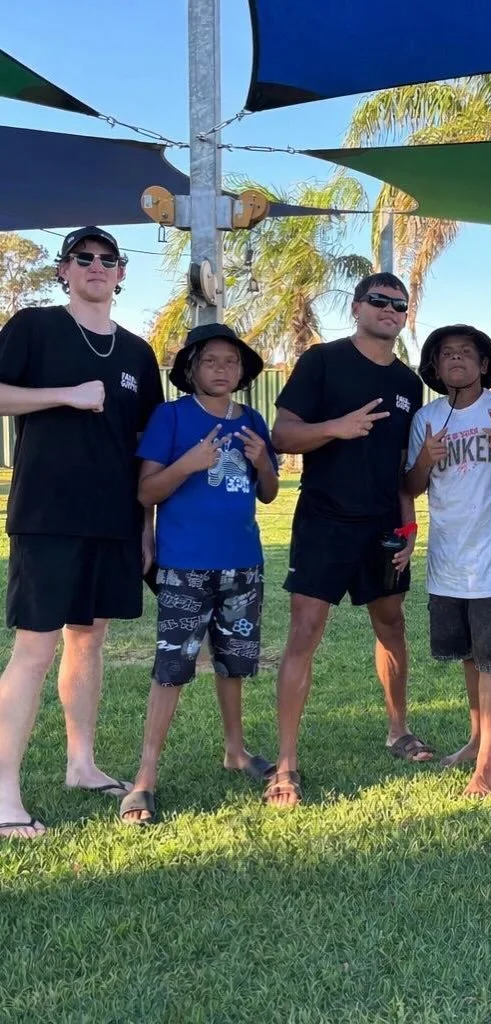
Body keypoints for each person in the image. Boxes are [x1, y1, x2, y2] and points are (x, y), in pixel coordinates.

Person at [0, 227, 163, 839]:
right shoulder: (34, 326)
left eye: (107, 259)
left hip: (114, 520)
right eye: (83, 257)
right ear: (64, 270)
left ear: (120, 274)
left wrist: (145, 527)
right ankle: (3, 795)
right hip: (48, 516)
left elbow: (146, 447)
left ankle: (82, 765)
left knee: (89, 640)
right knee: (35, 649)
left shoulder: (137, 353)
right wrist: (64, 395)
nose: (96, 265)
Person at [266, 273, 426, 808]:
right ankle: (285, 764)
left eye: (399, 305)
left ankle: (398, 730)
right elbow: (282, 435)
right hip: (324, 520)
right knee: (305, 631)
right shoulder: (322, 361)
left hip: (383, 526)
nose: (389, 310)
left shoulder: (408, 384)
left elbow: (403, 466)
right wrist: (336, 427)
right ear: (357, 308)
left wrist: (408, 527)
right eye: (378, 301)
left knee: (392, 624)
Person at [119, 324, 279, 825]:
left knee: (234, 663)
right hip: (185, 565)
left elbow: (269, 493)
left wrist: (263, 462)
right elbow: (146, 492)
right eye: (210, 360)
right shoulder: (170, 417)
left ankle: (236, 750)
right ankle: (144, 778)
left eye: (231, 361)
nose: (221, 369)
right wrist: (188, 463)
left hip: (243, 562)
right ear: (191, 369)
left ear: (242, 371)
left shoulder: (252, 420)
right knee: (172, 667)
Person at [405, 325, 491, 797]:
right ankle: (476, 739)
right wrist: (424, 459)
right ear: (436, 368)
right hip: (447, 561)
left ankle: (489, 762)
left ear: (483, 364)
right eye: (446, 354)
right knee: (471, 658)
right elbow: (411, 486)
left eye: (466, 353)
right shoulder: (426, 418)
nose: (456, 359)